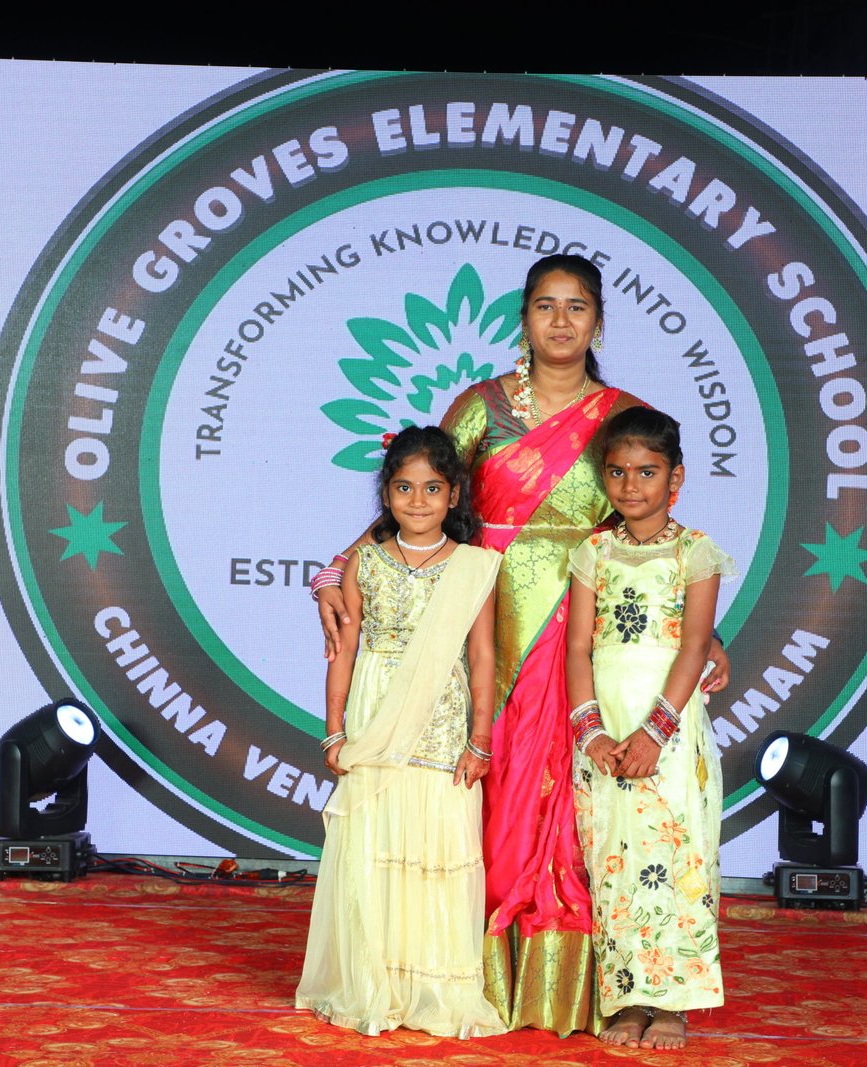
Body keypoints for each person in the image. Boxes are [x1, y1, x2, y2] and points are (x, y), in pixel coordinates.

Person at [313, 254, 730, 1035]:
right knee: (490, 791)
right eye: (546, 305)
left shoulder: (623, 416)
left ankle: (594, 984)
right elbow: (421, 496)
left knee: (577, 802)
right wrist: (341, 566)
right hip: (481, 619)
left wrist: (707, 634)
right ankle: (456, 976)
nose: (561, 321)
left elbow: (653, 537)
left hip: (585, 632)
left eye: (577, 307)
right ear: (524, 317)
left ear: (598, 321)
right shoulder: (480, 407)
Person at [295, 426, 505, 1039]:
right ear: (386, 494)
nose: (418, 500)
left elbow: (483, 656)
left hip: (444, 725)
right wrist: (333, 731)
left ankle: (432, 990)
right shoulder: (363, 563)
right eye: (404, 487)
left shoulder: (474, 567)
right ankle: (371, 982)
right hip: (374, 717)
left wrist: (480, 739)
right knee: (373, 847)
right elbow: (343, 650)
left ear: (454, 494)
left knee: (436, 849)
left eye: (433, 488)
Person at [565, 407, 734, 1050]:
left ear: (675, 478)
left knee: (677, 855)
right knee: (615, 861)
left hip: (668, 728)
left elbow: (694, 646)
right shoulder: (594, 552)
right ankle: (628, 997)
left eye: (646, 472)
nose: (630, 485)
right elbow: (578, 647)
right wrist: (591, 732)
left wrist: (655, 732)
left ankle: (673, 1003)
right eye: (617, 472)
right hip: (605, 728)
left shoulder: (696, 552)